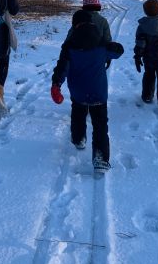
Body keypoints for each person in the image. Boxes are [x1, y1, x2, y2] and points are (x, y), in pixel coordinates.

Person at [51, 10, 124, 172]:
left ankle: (78, 139)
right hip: (98, 91)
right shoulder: (101, 44)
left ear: (75, 25)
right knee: (100, 124)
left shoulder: (69, 46)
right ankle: (100, 157)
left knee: (78, 114)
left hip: (78, 91)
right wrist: (115, 46)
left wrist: (56, 84)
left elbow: (62, 67)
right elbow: (118, 52)